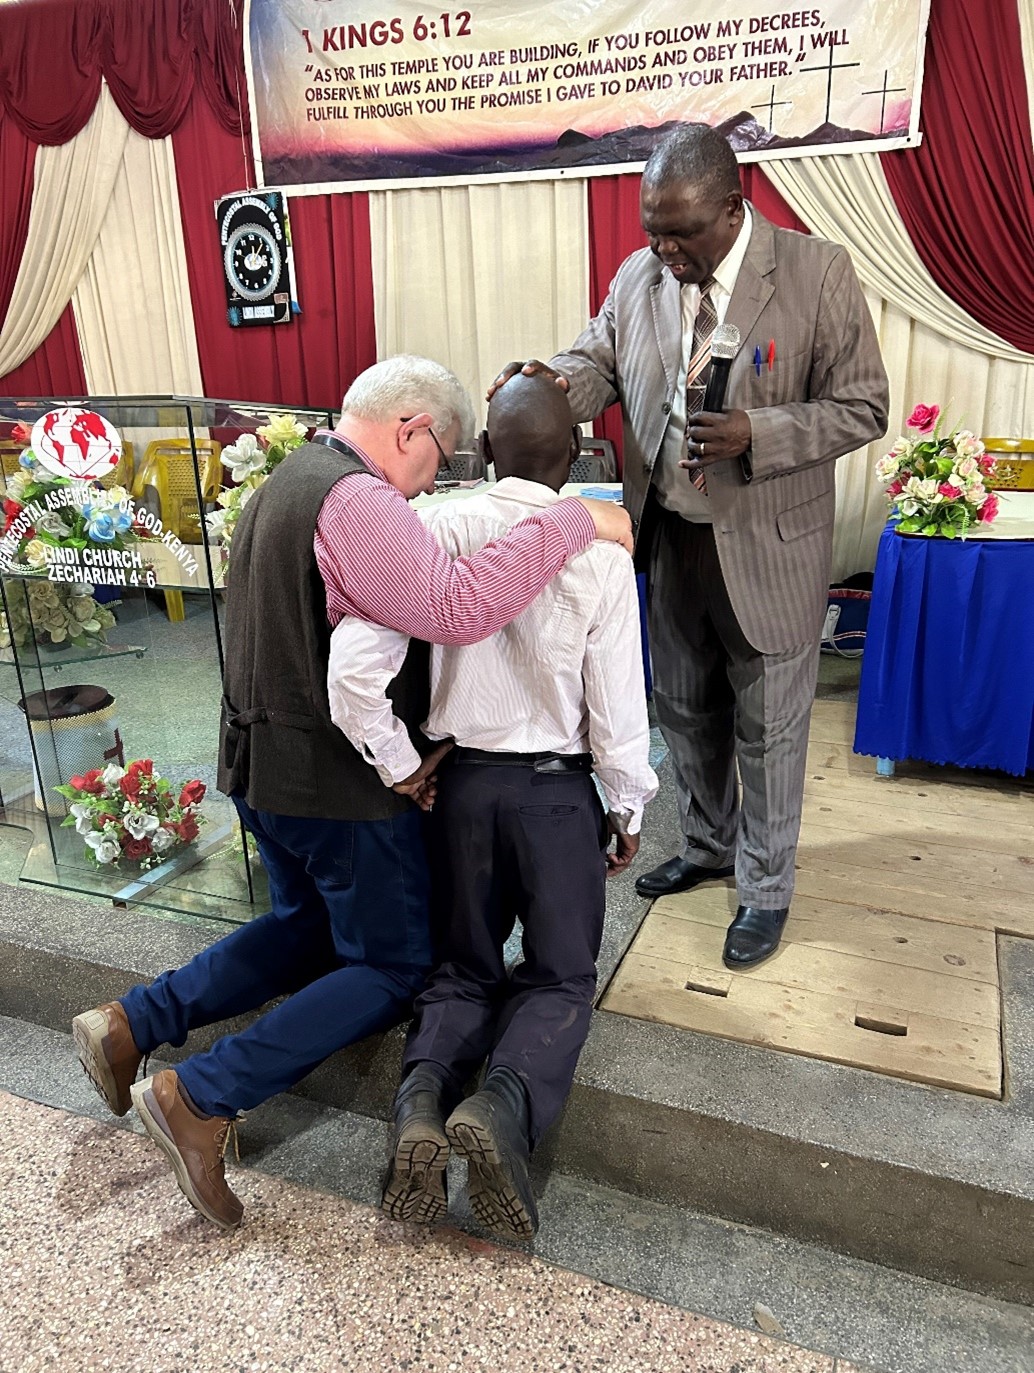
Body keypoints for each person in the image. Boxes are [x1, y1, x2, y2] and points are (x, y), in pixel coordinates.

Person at [70, 355, 634, 1232]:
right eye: (438, 457)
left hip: (260, 769)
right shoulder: (359, 499)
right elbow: (451, 606)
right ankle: (202, 1096)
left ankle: (132, 1023)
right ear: (410, 428)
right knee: (395, 965)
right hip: (340, 788)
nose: (435, 480)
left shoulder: (282, 482)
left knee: (306, 931)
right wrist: (570, 522)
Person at [494, 124, 888, 969]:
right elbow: (597, 360)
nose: (665, 248)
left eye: (681, 232)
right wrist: (552, 382)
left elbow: (864, 406)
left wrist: (761, 430)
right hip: (670, 539)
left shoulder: (818, 274)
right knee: (684, 710)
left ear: (733, 210)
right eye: (652, 231)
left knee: (772, 727)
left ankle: (765, 889)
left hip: (769, 547)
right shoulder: (640, 277)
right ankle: (709, 845)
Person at [327, 372, 658, 1239]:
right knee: (559, 974)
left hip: (461, 787)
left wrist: (403, 766)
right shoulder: (599, 545)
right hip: (554, 795)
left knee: (463, 965)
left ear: (479, 452)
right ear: (579, 457)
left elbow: (354, 676)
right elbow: (618, 705)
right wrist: (626, 808)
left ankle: (422, 1105)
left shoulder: (428, 523)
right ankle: (503, 1110)